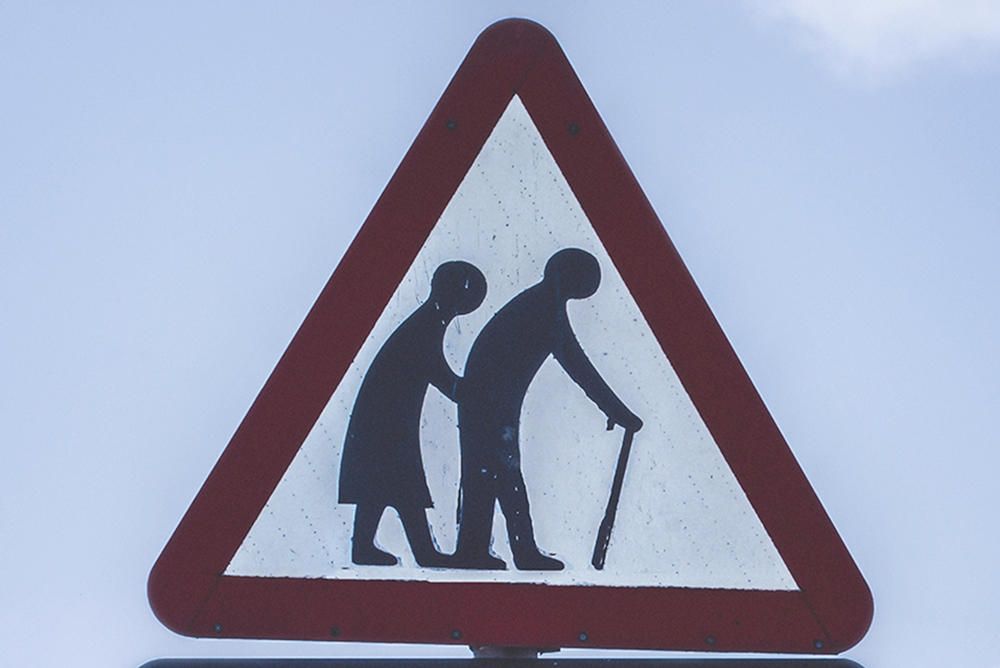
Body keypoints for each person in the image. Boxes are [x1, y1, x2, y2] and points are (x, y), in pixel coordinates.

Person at [452, 248, 642, 570]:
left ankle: (474, 549)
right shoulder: (544, 311)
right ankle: (519, 552)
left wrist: (617, 411)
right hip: (490, 405)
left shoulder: (538, 304)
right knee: (503, 476)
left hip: (488, 403)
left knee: (485, 476)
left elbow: (576, 365)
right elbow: (578, 366)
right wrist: (619, 412)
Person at [339, 261, 487, 567]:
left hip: (387, 419)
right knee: (399, 482)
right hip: (387, 421)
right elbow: (444, 379)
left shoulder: (426, 322)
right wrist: (481, 388)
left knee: (384, 484)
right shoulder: (425, 327)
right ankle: (420, 552)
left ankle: (372, 547)